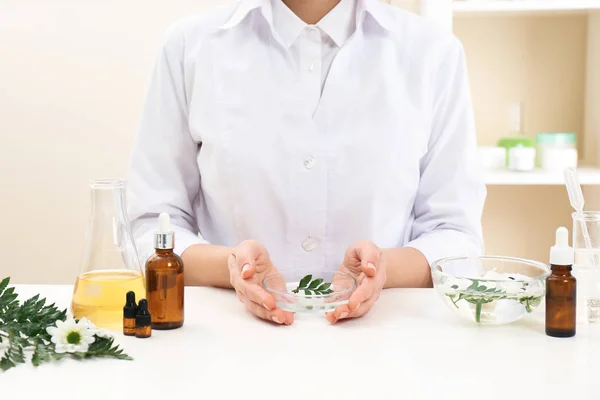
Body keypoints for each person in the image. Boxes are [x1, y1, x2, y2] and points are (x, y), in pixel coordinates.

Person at [127, 0, 486, 325]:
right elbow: (151, 224)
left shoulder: (432, 53)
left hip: (388, 342)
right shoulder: (190, 46)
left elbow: (455, 234)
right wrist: (232, 267)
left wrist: (385, 269)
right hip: (228, 343)